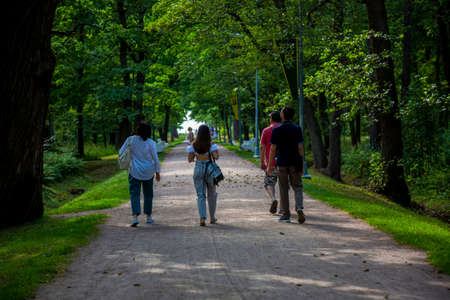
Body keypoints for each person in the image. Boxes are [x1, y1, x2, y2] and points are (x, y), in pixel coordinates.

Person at [267, 106, 305, 224]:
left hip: (282, 163)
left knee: (283, 188)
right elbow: (300, 148)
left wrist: (269, 166)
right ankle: (299, 207)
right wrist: (302, 165)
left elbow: (273, 149)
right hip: (295, 162)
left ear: (283, 115)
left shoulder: (277, 130)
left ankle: (286, 215)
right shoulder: (297, 129)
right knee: (297, 186)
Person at [119, 122, 161, 227]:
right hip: (148, 171)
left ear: (137, 130)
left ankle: (135, 218)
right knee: (148, 194)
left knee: (135, 194)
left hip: (134, 171)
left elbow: (121, 152)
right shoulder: (151, 142)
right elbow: (155, 158)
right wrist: (157, 172)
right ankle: (148, 217)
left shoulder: (130, 140)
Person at [187, 124, 219, 226]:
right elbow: (216, 157)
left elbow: (190, 160)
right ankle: (212, 217)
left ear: (198, 133)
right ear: (208, 133)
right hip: (210, 170)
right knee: (212, 194)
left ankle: (202, 218)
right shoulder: (211, 144)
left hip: (198, 169)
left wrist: (197, 155)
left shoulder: (193, 145)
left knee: (200, 195)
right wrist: (213, 152)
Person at [259, 111, 281, 214]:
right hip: (284, 162)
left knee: (268, 183)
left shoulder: (266, 130)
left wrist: (262, 162)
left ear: (271, 119)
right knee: (283, 184)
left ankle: (273, 199)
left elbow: (262, 147)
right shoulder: (283, 129)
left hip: (271, 163)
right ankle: (283, 207)